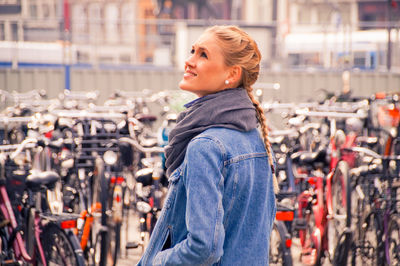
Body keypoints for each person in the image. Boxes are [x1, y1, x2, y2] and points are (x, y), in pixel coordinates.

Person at [137, 25, 278, 266]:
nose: (189, 61)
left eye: (203, 54)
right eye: (192, 51)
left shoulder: (205, 147)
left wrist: (156, 261)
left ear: (232, 75)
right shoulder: (257, 140)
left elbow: (204, 248)